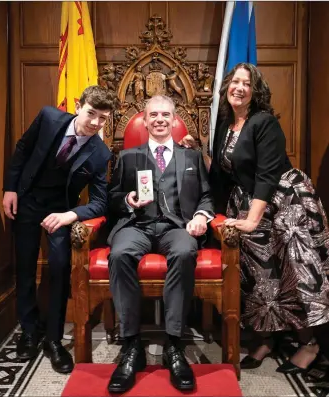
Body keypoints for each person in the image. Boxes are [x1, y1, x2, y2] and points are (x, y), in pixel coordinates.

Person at [180, 63, 329, 374]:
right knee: (261, 276)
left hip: (285, 204)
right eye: (235, 81)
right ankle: (268, 338)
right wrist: (198, 150)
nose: (240, 87)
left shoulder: (264, 123)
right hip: (247, 202)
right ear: (227, 88)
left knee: (293, 272)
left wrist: (250, 220)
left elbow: (266, 175)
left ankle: (309, 343)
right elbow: (223, 171)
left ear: (255, 91)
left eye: (247, 84)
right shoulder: (225, 124)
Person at [2, 86, 119, 374]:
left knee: (59, 266)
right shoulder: (48, 117)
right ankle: (29, 331)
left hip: (60, 210)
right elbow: (23, 149)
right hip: (27, 200)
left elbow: (101, 202)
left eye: (103, 119)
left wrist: (70, 215)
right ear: (79, 105)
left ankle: (53, 340)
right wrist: (10, 188)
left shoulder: (100, 153)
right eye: (91, 113)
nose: (95, 123)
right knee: (26, 265)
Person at [107, 95, 214, 393]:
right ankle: (132, 347)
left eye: (165, 115)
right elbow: (112, 198)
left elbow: (206, 196)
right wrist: (128, 199)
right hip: (137, 225)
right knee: (119, 254)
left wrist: (202, 217)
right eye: (153, 114)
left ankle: (174, 346)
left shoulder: (190, 157)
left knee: (184, 251)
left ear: (174, 119)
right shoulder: (128, 156)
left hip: (176, 226)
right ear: (144, 119)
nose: (159, 120)